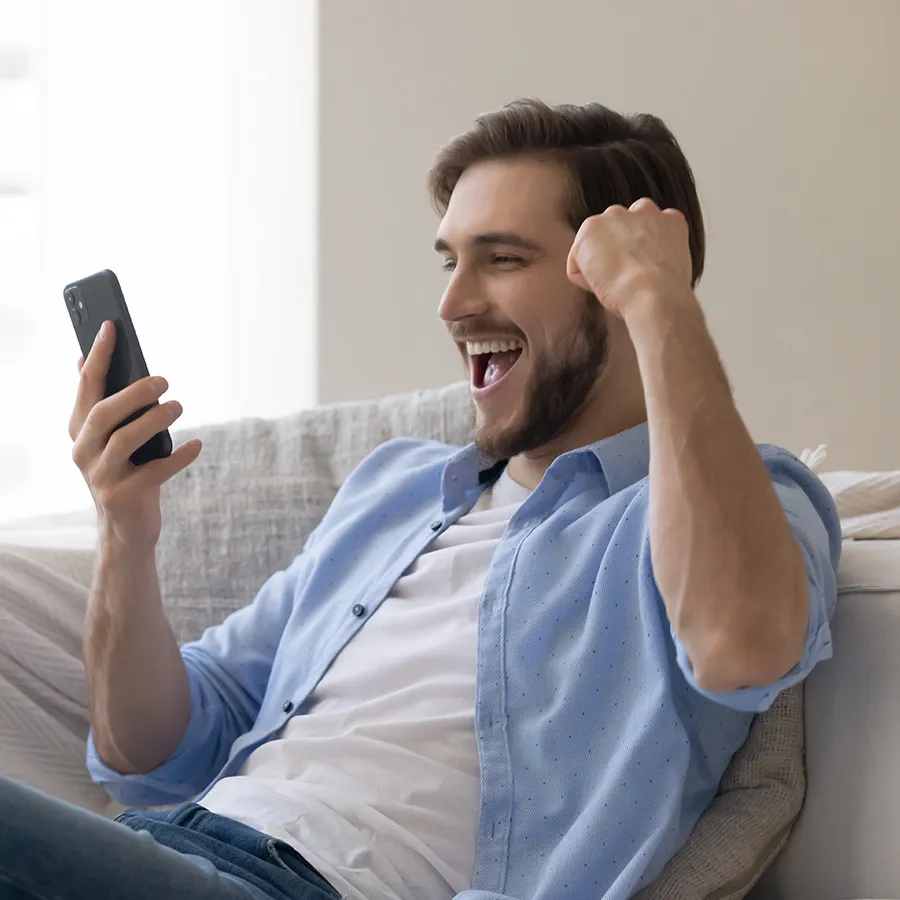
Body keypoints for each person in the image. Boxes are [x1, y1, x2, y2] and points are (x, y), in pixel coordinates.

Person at [0, 99, 841, 900]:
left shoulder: (737, 503)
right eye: (451, 260)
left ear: (620, 281)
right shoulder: (397, 490)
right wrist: (126, 528)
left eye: (503, 259)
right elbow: (150, 753)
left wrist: (664, 302)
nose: (453, 303)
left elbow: (739, 645)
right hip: (168, 847)